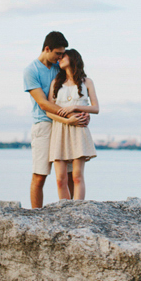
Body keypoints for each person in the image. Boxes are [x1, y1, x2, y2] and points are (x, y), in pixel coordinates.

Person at [23, 31, 89, 208]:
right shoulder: (31, 71)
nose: (60, 57)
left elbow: (73, 91)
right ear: (47, 49)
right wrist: (70, 116)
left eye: (63, 54)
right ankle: (36, 216)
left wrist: (82, 112)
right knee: (40, 175)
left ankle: (74, 211)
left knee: (69, 175)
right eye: (58, 53)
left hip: (65, 128)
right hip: (44, 125)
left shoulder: (58, 67)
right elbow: (43, 104)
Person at [47, 49, 99, 200]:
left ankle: (78, 211)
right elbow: (49, 111)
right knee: (60, 179)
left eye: (63, 56)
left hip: (78, 130)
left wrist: (75, 107)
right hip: (59, 130)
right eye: (59, 57)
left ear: (73, 57)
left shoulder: (86, 82)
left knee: (77, 176)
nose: (60, 59)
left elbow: (95, 108)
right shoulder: (56, 83)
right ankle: (65, 212)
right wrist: (66, 120)